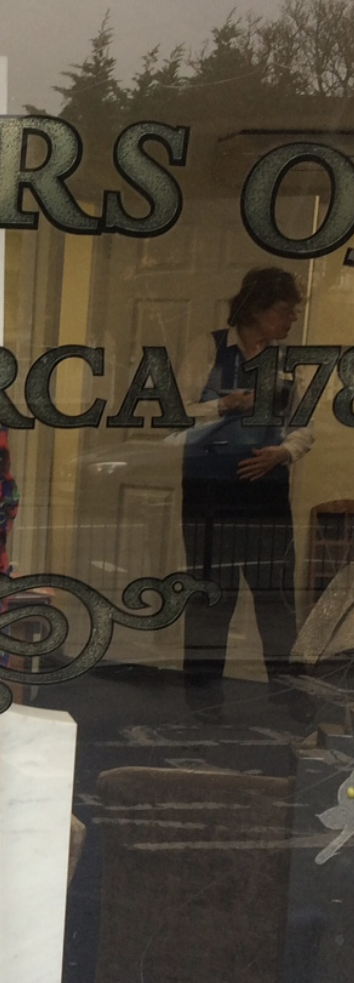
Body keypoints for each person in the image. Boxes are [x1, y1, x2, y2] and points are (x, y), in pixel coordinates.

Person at [180, 268, 313, 711]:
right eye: (284, 310)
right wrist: (225, 404)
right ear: (256, 309)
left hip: (267, 495)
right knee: (211, 598)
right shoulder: (208, 347)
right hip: (209, 493)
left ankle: (290, 702)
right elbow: (174, 412)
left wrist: (284, 453)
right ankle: (200, 706)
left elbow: (304, 426)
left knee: (275, 600)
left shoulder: (290, 359)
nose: (291, 318)